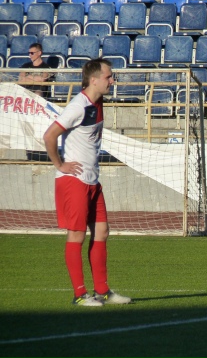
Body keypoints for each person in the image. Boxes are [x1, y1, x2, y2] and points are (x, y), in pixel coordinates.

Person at [43, 58, 131, 307]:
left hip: (92, 180)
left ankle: (102, 291)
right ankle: (80, 294)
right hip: (75, 181)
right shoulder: (78, 106)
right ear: (94, 80)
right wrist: (60, 164)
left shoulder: (98, 102)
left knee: (102, 231)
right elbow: (49, 135)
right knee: (77, 234)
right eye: (108, 77)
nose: (112, 80)